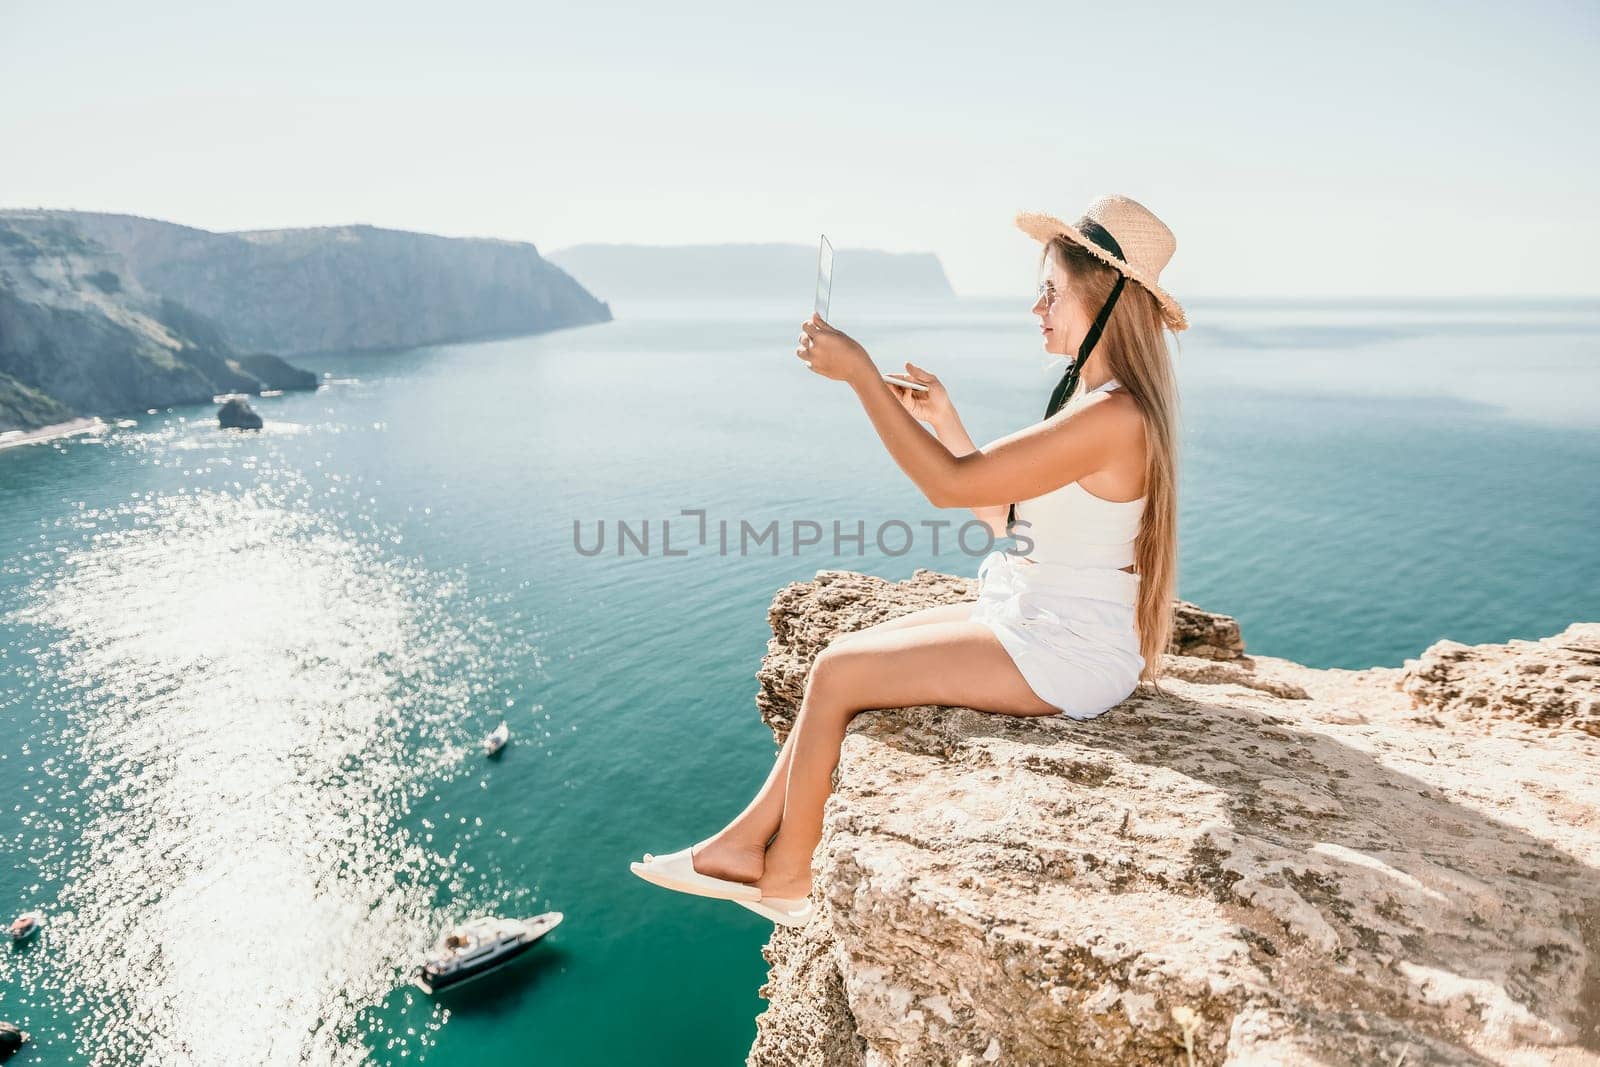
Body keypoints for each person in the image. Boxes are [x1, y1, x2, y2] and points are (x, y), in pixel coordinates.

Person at [631, 194, 1187, 926]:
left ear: (1103, 296)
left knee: (835, 675)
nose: (1036, 308)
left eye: (1050, 291)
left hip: (1065, 648)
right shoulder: (1101, 404)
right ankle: (741, 843)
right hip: (1043, 617)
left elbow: (948, 486)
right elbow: (1011, 520)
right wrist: (945, 421)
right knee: (842, 650)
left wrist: (860, 372)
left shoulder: (1111, 416)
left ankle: (789, 878)